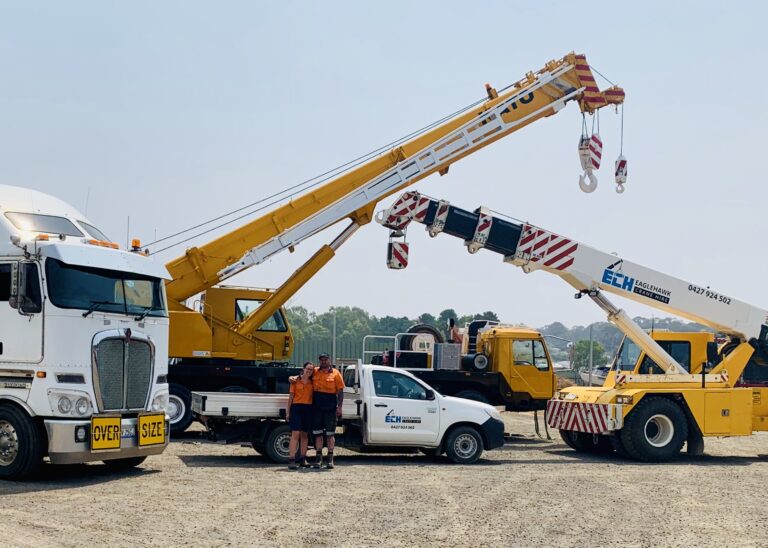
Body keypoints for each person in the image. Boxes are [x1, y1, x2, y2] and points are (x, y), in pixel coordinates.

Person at [311, 352, 345, 469]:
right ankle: (318, 459)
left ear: (329, 360)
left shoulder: (336, 373)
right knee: (318, 434)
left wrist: (339, 407)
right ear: (319, 361)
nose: (323, 361)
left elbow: (340, 392)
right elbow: (302, 376)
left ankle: (330, 459)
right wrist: (293, 378)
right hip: (316, 407)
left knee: (330, 434)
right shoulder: (314, 371)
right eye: (321, 360)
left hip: (330, 407)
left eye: (325, 359)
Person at [286, 361, 314, 470]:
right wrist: (288, 412)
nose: (309, 371)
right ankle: (292, 459)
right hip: (296, 408)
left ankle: (303, 459)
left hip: (308, 408)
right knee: (295, 434)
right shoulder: (295, 381)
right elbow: (291, 397)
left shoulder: (313, 382)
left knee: (304, 435)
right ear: (303, 369)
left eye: (311, 370)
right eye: (308, 369)